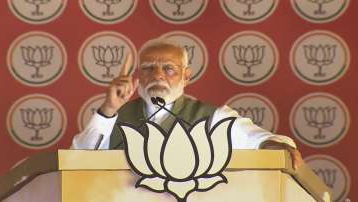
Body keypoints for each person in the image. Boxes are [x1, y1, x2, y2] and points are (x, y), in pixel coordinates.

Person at [71, 38, 303, 169]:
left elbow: (261, 139)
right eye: (148, 68)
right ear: (138, 76)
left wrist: (275, 145)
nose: (158, 75)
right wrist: (109, 109)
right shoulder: (113, 117)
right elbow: (77, 159)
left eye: (169, 68)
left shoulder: (213, 117)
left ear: (186, 76)